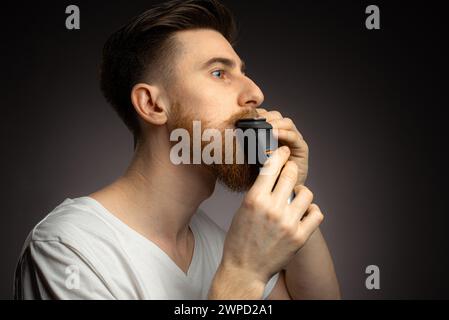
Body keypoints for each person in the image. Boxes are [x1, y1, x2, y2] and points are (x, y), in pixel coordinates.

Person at [14, 0, 340, 299]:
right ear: (153, 104)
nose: (255, 92)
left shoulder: (216, 244)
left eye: (243, 72)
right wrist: (243, 275)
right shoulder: (69, 249)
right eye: (219, 73)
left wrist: (288, 185)